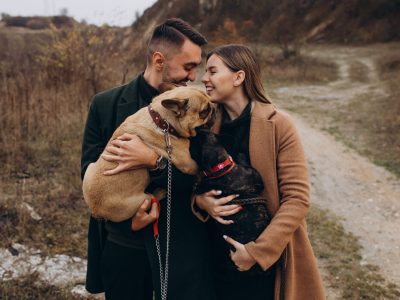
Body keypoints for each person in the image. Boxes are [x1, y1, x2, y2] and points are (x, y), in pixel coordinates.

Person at [81, 18, 216, 300]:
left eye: (197, 67)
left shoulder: (198, 108)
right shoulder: (105, 104)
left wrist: (154, 161)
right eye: (188, 66)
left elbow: (202, 178)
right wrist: (127, 222)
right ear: (159, 60)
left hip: (181, 247)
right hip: (125, 245)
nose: (193, 76)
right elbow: (91, 174)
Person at [193, 44, 325, 300]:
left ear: (239, 76)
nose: (204, 79)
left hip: (264, 260)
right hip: (212, 255)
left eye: (212, 71)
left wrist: (255, 253)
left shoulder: (278, 125)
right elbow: (191, 178)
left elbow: (297, 200)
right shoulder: (205, 123)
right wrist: (200, 201)